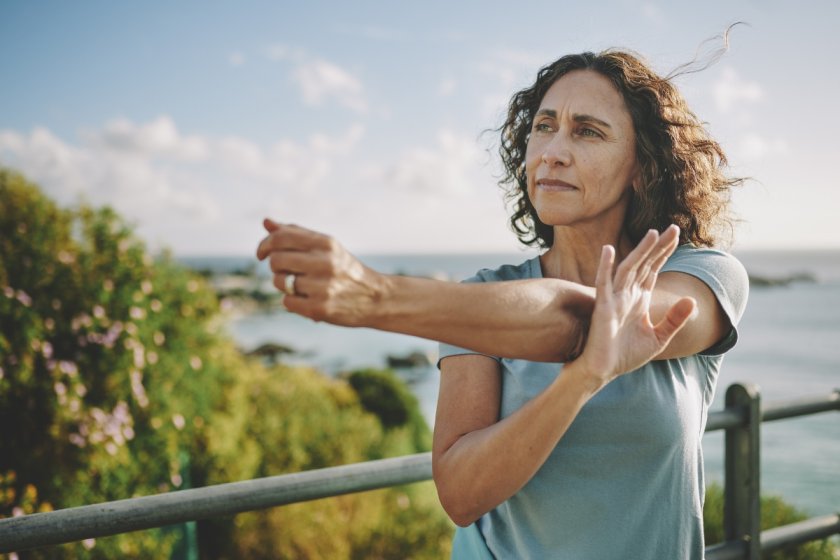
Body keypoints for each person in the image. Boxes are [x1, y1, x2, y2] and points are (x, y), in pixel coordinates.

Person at [256, 49, 749, 559]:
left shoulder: (705, 277)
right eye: (543, 127)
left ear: (642, 168)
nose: (551, 152)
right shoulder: (480, 303)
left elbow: (585, 319)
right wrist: (579, 382)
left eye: (587, 131)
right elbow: (461, 496)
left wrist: (377, 296)